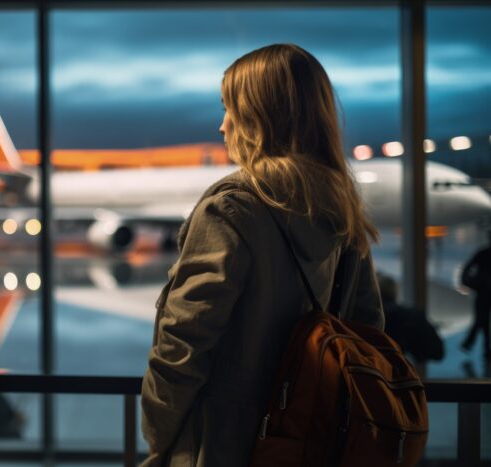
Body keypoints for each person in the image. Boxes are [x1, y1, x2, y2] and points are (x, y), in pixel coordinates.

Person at [140, 44, 384, 466]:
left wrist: (159, 437)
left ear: (261, 117)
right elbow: (368, 330)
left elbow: (182, 344)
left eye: (230, 109)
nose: (222, 127)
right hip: (310, 441)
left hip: (221, 446)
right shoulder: (341, 209)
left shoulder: (231, 209)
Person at [378, 272, 444, 362]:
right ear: (394, 292)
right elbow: (437, 352)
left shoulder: (366, 317)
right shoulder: (410, 316)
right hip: (396, 371)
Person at [460, 230, 491, 359]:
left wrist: (469, 282)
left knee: (481, 320)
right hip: (484, 292)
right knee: (482, 321)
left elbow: (467, 268)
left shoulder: (482, 254)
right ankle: (476, 345)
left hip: (482, 292)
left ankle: (471, 343)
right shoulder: (482, 254)